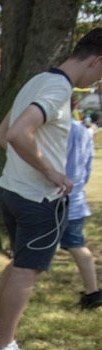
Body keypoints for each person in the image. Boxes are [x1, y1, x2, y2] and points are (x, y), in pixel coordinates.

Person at [0, 28, 102, 350]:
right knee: (28, 269)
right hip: (38, 199)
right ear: (97, 60)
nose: (98, 81)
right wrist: (50, 171)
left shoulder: (38, 80)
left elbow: (2, 135)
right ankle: (3, 346)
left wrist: (30, 165)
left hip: (11, 190)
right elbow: (18, 133)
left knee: (18, 264)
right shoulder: (57, 87)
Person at [63, 107, 101, 309]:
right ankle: (92, 291)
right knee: (77, 244)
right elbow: (87, 166)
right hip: (76, 195)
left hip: (57, 197)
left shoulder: (57, 131)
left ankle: (13, 278)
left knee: (32, 243)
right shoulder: (84, 132)